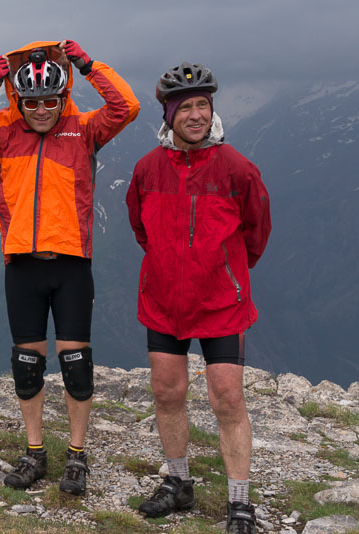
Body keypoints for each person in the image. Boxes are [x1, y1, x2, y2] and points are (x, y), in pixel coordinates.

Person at [0, 40, 139, 494]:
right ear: (20, 99)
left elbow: (126, 105)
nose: (42, 110)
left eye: (50, 100)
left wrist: (88, 65)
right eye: (32, 102)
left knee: (76, 365)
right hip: (23, 266)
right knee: (27, 365)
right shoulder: (1, 134)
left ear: (62, 94)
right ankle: (35, 454)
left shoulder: (84, 129)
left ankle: (76, 456)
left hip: (71, 264)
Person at [127, 62, 271, 533]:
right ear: (169, 115)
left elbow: (257, 230)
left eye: (202, 105)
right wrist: (171, 267)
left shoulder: (236, 167)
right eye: (184, 106)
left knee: (227, 399)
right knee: (167, 393)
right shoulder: (148, 168)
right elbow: (140, 227)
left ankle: (239, 502)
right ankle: (178, 482)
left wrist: (225, 273)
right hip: (164, 302)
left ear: (212, 110)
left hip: (221, 303)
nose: (195, 115)